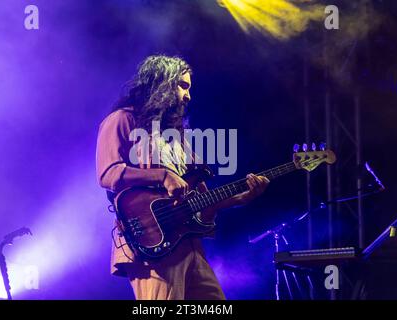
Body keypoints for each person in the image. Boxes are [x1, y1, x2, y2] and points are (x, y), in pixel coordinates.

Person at [96, 55, 269, 300]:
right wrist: (163, 175)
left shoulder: (179, 137)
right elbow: (108, 173)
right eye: (182, 86)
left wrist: (238, 198)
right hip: (151, 241)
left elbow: (200, 198)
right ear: (160, 83)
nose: (188, 96)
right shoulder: (122, 120)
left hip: (188, 243)